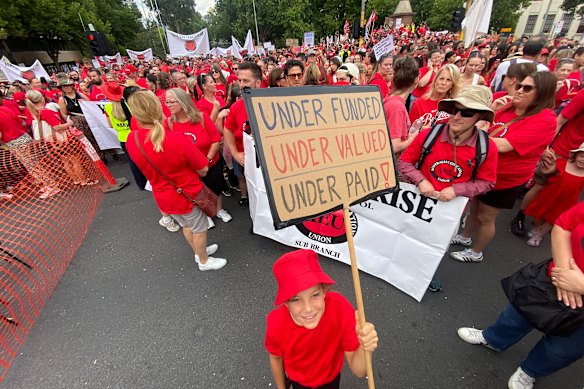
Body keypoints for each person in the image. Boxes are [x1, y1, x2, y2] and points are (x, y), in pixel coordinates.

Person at [457, 201, 584, 389]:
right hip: (557, 278)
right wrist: (565, 273)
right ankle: (493, 339)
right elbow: (564, 225)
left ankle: (529, 371)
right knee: (516, 316)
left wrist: (580, 285)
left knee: (561, 350)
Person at [450, 71, 558, 263]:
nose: (519, 91)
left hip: (504, 179)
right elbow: (481, 124)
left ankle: (476, 251)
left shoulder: (545, 119)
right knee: (473, 208)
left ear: (542, 93)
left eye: (527, 88)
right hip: (480, 170)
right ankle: (465, 237)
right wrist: (490, 111)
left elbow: (502, 146)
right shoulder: (505, 103)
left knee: (485, 217)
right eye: (519, 86)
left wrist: (471, 134)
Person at [399, 86, 498, 291]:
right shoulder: (429, 135)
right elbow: (405, 162)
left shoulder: (487, 147)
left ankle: (424, 276)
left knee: (436, 245)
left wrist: (457, 190)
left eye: (467, 112)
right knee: (407, 234)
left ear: (480, 116)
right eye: (454, 110)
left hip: (450, 209)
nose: (458, 116)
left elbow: (487, 182)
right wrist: (420, 180)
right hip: (417, 201)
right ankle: (400, 268)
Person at [125, 90, 227, 271]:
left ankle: (198, 251)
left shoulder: (132, 139)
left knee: (186, 225)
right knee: (199, 227)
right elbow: (203, 169)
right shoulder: (175, 139)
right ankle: (204, 260)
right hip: (187, 192)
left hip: (163, 195)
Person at [265, 249, 378, 389]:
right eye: (295, 299)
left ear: (324, 291)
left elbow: (359, 371)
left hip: (330, 379)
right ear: (286, 303)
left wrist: (364, 346)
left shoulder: (340, 308)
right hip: (299, 382)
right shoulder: (276, 323)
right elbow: (275, 358)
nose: (308, 308)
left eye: (315, 295)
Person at [164, 88, 232, 225]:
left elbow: (215, 139)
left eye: (172, 102)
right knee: (196, 193)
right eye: (167, 102)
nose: (168, 105)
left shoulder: (201, 117)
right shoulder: (168, 123)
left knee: (215, 188)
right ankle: (205, 215)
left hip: (211, 163)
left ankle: (219, 210)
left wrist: (207, 160)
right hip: (188, 169)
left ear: (183, 102)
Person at [522, 143, 584, 247]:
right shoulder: (563, 163)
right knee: (541, 213)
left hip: (567, 201)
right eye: (582, 156)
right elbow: (546, 171)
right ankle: (537, 228)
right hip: (550, 195)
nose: (583, 160)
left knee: (553, 219)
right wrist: (545, 162)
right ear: (576, 155)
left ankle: (539, 235)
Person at [224, 61, 263, 207]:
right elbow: (227, 129)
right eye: (239, 80)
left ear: (258, 83)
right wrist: (235, 153)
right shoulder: (237, 106)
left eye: (246, 81)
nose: (241, 85)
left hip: (268, 161)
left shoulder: (271, 102)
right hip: (246, 159)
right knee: (251, 189)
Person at [384, 56, 419, 154]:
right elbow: (394, 147)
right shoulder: (396, 106)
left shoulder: (393, 101)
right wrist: (412, 139)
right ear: (416, 80)